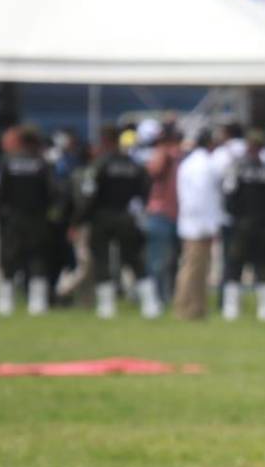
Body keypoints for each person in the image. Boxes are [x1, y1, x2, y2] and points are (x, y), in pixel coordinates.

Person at [81, 124, 157, 320]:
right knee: (134, 259)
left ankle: (107, 306)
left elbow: (88, 194)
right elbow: (145, 192)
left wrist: (81, 219)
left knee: (102, 260)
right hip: (127, 217)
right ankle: (150, 304)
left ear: (105, 141)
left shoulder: (100, 164)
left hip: (102, 216)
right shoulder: (134, 165)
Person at [0, 126, 55, 317]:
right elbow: (52, 192)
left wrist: (1, 215)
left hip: (12, 217)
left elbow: (0, 193)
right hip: (36, 218)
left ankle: (5, 302)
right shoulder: (41, 163)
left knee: (9, 259)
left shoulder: (8, 162)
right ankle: (37, 303)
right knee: (37, 258)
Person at [221, 130, 265, 322]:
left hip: (242, 224)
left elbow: (229, 197)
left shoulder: (236, 169)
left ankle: (231, 308)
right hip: (264, 225)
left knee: (234, 264)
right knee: (263, 265)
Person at [173, 129, 222, 320]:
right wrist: (208, 226)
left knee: (197, 269)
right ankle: (187, 308)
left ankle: (196, 308)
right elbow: (202, 198)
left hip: (193, 223)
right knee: (194, 269)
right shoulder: (203, 165)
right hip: (199, 226)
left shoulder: (192, 163)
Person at [145, 122, 182, 306]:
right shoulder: (162, 154)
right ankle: (155, 298)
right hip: (161, 213)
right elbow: (154, 171)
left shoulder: (179, 156)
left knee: (172, 261)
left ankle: (168, 296)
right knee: (158, 261)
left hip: (175, 215)